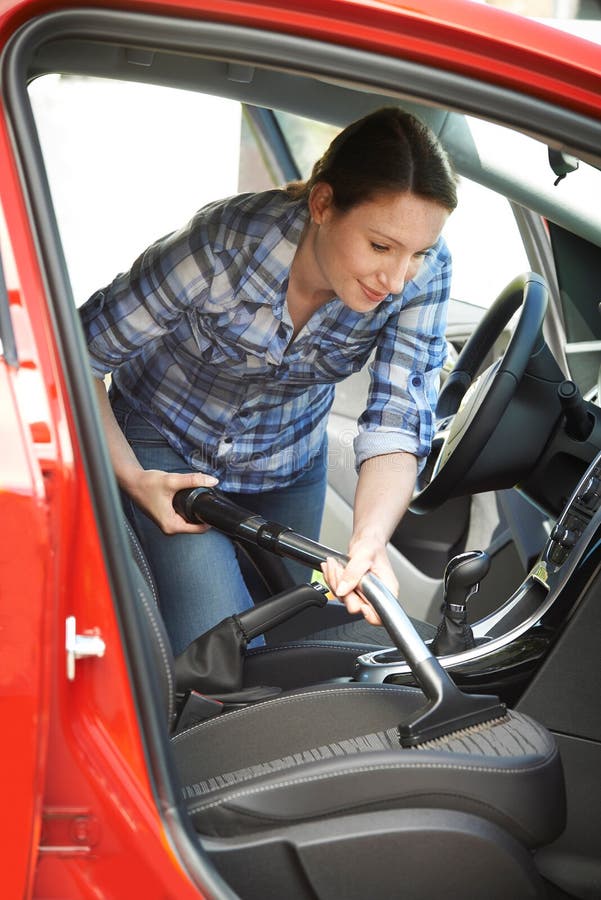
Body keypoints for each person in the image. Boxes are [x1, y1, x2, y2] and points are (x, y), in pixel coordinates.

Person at [80, 107, 457, 656]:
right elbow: (78, 354)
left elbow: (398, 422)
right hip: (166, 447)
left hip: (287, 461)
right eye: (380, 247)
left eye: (417, 254)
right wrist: (134, 478)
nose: (398, 280)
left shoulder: (425, 272)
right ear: (323, 205)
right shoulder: (220, 248)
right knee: (221, 656)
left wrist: (369, 541)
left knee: (289, 633)